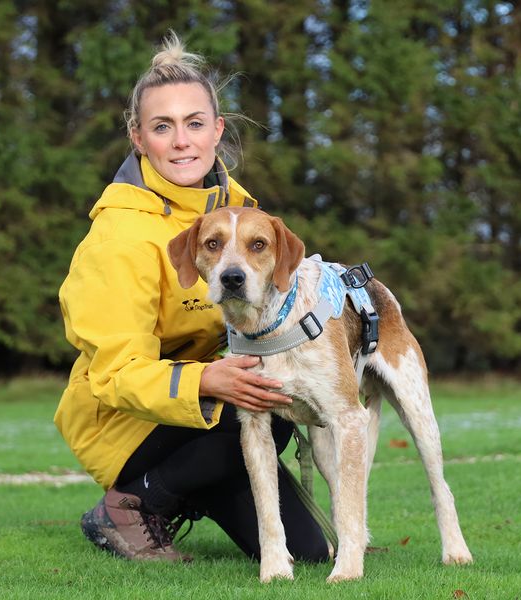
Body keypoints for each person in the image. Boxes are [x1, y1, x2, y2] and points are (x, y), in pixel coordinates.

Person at [54, 32, 329, 564]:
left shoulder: (237, 212)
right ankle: (134, 504)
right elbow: (114, 376)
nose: (182, 141)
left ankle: (195, 485)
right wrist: (206, 380)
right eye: (163, 127)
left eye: (195, 123)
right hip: (126, 424)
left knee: (310, 553)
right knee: (262, 405)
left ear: (217, 130)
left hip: (212, 408)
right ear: (138, 138)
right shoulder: (118, 239)